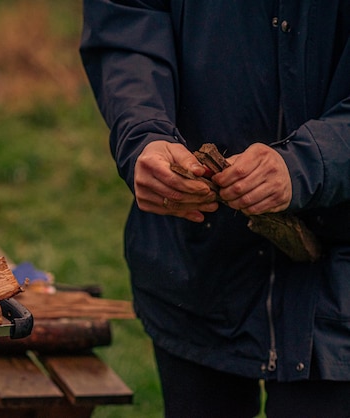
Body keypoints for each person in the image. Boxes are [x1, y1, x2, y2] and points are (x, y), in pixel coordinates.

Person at [80, 1, 350, 417]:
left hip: (338, 285)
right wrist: (143, 135)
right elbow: (127, 21)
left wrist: (308, 162)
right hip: (197, 264)